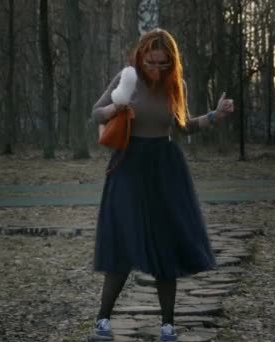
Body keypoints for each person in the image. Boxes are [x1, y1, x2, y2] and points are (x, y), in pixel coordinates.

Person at [90, 28, 234, 341]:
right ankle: (102, 321)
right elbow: (96, 113)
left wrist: (214, 116)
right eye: (151, 62)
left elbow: (184, 126)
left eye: (163, 64)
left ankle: (167, 325)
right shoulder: (127, 78)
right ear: (141, 57)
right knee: (124, 241)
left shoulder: (175, 86)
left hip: (165, 168)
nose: (156, 69)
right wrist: (117, 107)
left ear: (172, 63)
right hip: (128, 164)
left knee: (165, 245)